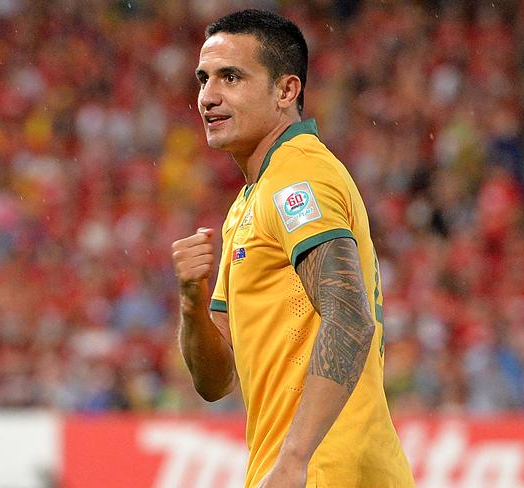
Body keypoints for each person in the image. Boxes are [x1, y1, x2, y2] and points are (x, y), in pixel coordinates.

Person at [171, 9, 414, 488]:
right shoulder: (250, 200)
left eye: (231, 77)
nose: (208, 97)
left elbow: (349, 317)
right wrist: (190, 301)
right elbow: (216, 381)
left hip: (325, 469)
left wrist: (295, 459)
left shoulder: (297, 176)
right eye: (203, 79)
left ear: (286, 91)